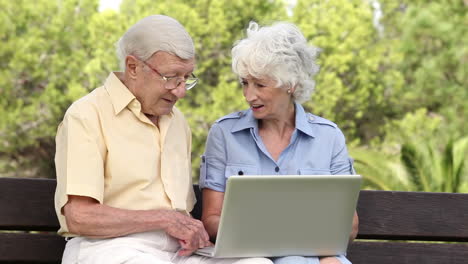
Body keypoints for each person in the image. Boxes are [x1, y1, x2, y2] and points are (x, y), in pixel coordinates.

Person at [54, 15, 272, 264]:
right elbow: (79, 216)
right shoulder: (87, 115)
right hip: (108, 247)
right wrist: (163, 219)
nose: (180, 91)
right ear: (133, 67)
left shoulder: (177, 121)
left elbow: (182, 213)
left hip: (176, 253)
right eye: (171, 77)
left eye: (186, 78)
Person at [199, 21, 359, 264]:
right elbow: (211, 219)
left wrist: (329, 257)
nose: (248, 95)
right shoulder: (224, 133)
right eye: (245, 82)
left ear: (290, 85)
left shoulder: (329, 136)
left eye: (260, 85)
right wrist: (267, 239)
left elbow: (348, 225)